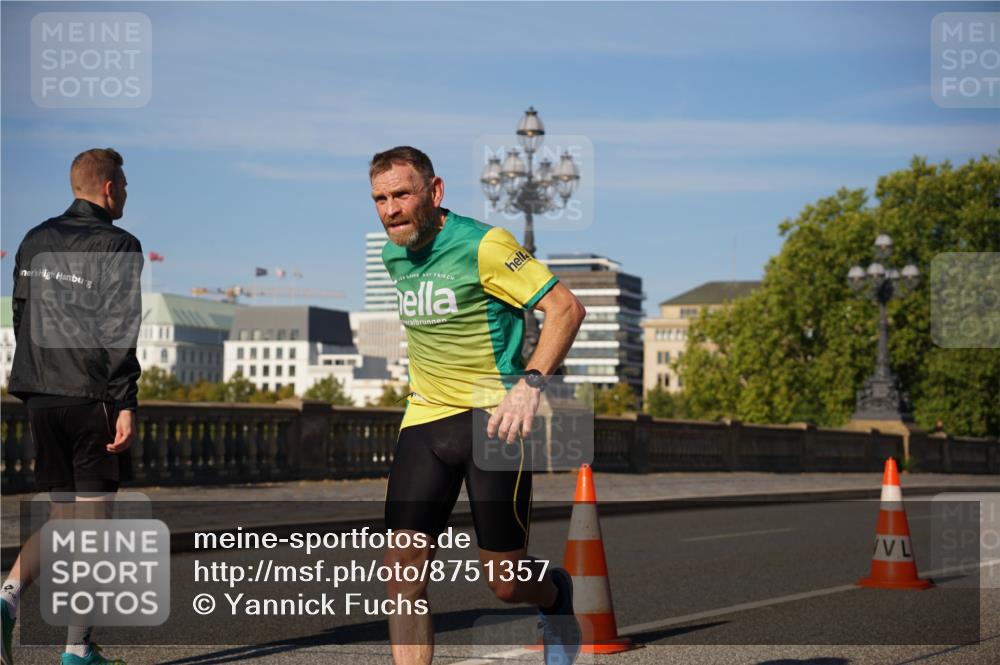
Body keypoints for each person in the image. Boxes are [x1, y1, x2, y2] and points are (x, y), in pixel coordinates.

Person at [372, 146, 587, 665]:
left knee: (507, 583)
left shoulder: (485, 245)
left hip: (494, 421)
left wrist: (530, 385)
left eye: (403, 194)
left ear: (435, 191)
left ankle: (554, 594)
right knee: (402, 570)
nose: (391, 209)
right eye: (380, 199)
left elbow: (565, 308)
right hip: (424, 420)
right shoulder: (393, 252)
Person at [1, 148, 143, 665]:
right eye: (124, 184)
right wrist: (124, 401)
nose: (126, 192)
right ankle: (77, 650)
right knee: (93, 525)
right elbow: (119, 328)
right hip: (91, 396)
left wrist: (35, 381)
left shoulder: (33, 240)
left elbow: (20, 314)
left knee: (64, 516)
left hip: (40, 395)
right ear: (108, 188)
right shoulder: (118, 243)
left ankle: (7, 598)